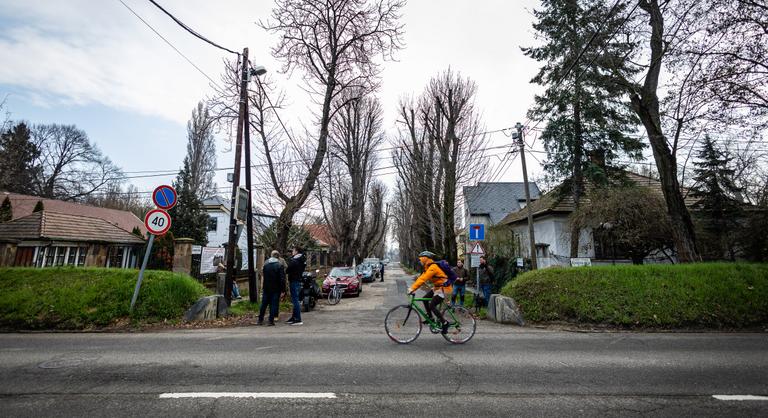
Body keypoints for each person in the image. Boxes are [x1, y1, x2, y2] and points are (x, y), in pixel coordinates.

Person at [407, 250, 452, 334]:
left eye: (420, 259)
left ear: (425, 259)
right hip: (437, 288)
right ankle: (431, 318)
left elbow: (423, 279)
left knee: (432, 305)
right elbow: (421, 278)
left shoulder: (433, 267)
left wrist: (412, 289)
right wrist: (412, 287)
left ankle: (445, 323)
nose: (420, 261)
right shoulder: (427, 268)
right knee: (424, 299)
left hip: (444, 288)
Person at [257, 250, 286, 326]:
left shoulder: (266, 264)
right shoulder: (279, 265)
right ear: (278, 257)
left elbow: (263, 274)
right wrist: (283, 290)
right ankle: (271, 320)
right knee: (273, 304)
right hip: (276, 288)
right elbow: (282, 279)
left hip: (266, 287)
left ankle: (260, 319)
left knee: (264, 304)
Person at [285, 246, 307, 325]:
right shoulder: (302, 259)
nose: (292, 252)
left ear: (297, 251)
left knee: (295, 300)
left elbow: (287, 270)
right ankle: (294, 317)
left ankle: (298, 319)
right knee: (295, 299)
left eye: (293, 250)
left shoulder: (294, 260)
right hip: (298, 279)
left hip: (294, 280)